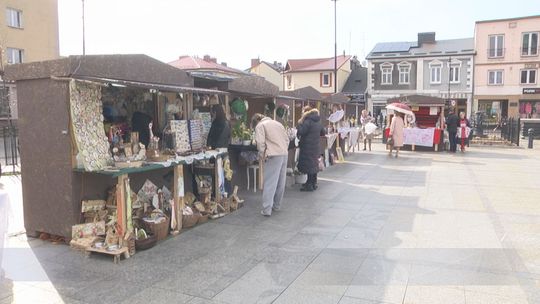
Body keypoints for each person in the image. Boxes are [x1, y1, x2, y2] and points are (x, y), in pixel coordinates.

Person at [252, 113, 289, 216]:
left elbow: (260, 143)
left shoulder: (260, 126)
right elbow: (286, 139)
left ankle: (267, 209)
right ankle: (277, 206)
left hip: (272, 154)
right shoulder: (278, 124)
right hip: (284, 153)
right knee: (281, 181)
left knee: (270, 182)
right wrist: (284, 149)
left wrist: (262, 155)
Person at [296, 106, 325, 192]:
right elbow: (323, 132)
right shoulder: (318, 121)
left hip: (307, 146)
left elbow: (301, 131)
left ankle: (309, 185)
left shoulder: (307, 121)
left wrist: (299, 124)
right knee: (313, 165)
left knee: (309, 165)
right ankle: (312, 183)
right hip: (315, 146)